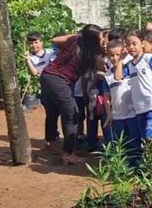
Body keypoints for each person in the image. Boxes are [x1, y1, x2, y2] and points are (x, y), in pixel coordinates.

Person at [40, 24, 104, 165]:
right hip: (59, 81)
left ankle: (52, 142)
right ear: (92, 40)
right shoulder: (91, 55)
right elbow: (105, 67)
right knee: (72, 114)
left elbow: (55, 40)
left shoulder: (74, 42)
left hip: (47, 76)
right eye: (100, 37)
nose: (102, 40)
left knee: (54, 110)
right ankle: (68, 154)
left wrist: (76, 35)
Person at [115, 30, 152, 140]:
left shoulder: (149, 59)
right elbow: (118, 77)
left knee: (150, 137)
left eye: (134, 43)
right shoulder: (130, 65)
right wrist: (121, 59)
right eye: (128, 44)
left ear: (142, 43)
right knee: (145, 138)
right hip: (139, 107)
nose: (131, 47)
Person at [102, 40, 138, 158]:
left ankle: (135, 167)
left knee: (134, 144)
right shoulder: (107, 75)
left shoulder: (130, 68)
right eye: (111, 55)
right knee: (119, 144)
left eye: (118, 54)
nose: (114, 58)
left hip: (133, 114)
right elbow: (106, 97)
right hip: (117, 116)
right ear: (107, 55)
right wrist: (109, 114)